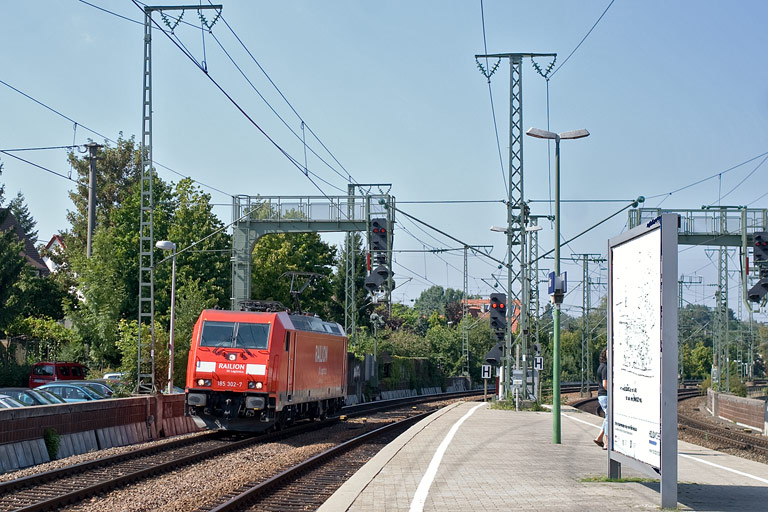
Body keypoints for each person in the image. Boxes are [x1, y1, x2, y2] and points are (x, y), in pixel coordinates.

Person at [593, 348, 608, 450]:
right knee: (609, 418)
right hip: (606, 395)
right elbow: (605, 384)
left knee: (608, 417)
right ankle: (606, 443)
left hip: (601, 395)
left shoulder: (601, 366)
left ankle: (599, 438)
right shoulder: (606, 367)